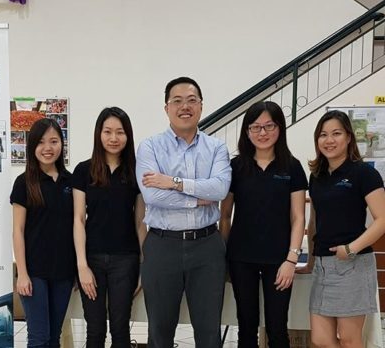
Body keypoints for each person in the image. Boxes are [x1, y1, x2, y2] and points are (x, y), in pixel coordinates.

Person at [136, 76, 231, 348]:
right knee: (159, 332)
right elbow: (153, 196)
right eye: (177, 101)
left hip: (207, 246)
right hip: (162, 245)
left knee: (209, 332)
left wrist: (174, 183)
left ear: (201, 106)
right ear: (166, 108)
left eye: (191, 100)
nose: (184, 106)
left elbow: (219, 189)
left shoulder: (216, 148)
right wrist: (197, 199)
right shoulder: (150, 147)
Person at [219, 101, 307, 348]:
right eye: (255, 127)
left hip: (279, 260)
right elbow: (225, 215)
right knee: (246, 326)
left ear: (280, 128)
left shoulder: (292, 166)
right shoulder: (236, 167)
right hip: (241, 258)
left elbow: (298, 217)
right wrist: (224, 257)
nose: (262, 132)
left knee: (277, 328)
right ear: (247, 131)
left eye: (269, 126)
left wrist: (291, 260)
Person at [304, 110, 385, 348]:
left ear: (349, 137)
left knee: (350, 340)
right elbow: (314, 220)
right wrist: (310, 261)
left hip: (352, 264)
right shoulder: (317, 176)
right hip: (322, 265)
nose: (329, 140)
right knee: (320, 339)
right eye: (323, 135)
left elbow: (382, 219)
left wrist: (350, 249)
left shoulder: (364, 173)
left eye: (336, 133)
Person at [72, 107, 147, 348]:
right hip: (91, 259)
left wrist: (143, 265)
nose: (114, 138)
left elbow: (140, 221)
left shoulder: (135, 172)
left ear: (128, 135)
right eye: (108, 132)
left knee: (120, 329)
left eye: (120, 132)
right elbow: (78, 219)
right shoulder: (83, 170)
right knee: (95, 331)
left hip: (125, 260)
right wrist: (81, 266)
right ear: (99, 134)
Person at [12, 118, 75, 348]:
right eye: (41, 142)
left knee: (54, 337)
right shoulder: (24, 182)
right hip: (34, 272)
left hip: (64, 272)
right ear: (32, 147)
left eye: (54, 141)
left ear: (62, 144)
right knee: (38, 338)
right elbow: (17, 231)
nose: (47, 148)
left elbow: (78, 225)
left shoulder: (71, 182)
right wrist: (22, 273)